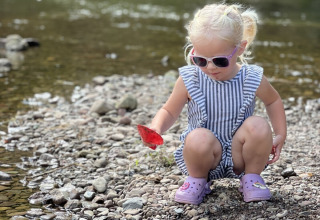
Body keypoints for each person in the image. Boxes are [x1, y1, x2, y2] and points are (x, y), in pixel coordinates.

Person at [144, 3, 287, 205]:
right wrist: (156, 128)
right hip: (205, 157)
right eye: (200, 60)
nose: (210, 67)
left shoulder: (250, 77)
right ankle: (197, 180)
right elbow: (169, 110)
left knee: (258, 125)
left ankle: (252, 178)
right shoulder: (190, 79)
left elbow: (273, 100)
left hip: (241, 155)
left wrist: (280, 133)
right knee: (197, 136)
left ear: (240, 49)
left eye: (219, 61)